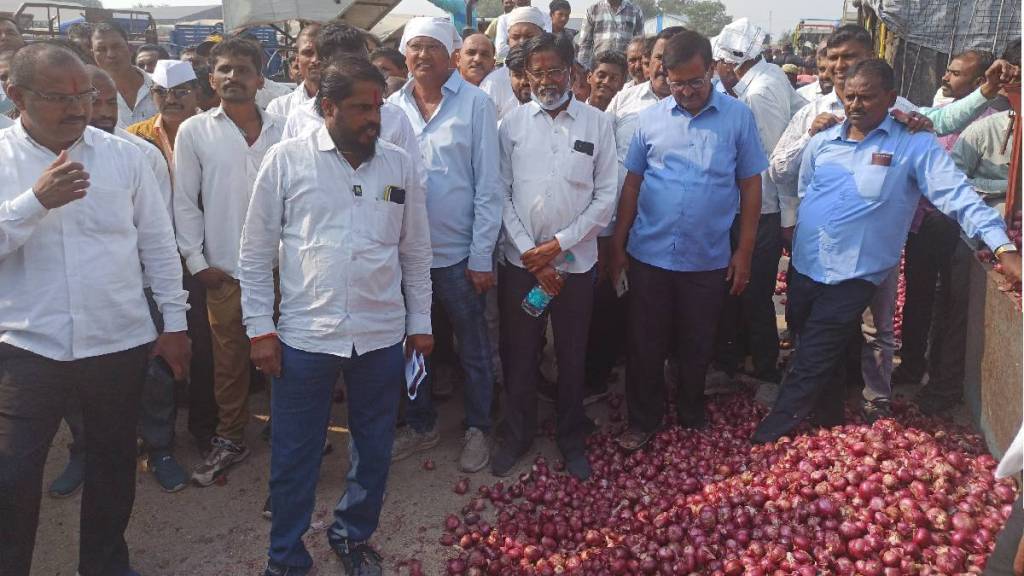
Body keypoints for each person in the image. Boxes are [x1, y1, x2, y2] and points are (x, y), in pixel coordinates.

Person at [752, 59, 1021, 444]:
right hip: (807, 265)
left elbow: (959, 196)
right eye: (850, 96)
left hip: (855, 272)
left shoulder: (912, 144)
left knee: (813, 353)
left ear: (892, 98)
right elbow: (806, 187)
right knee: (808, 337)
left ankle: (772, 433)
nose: (855, 105)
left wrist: (1004, 247)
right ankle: (826, 420)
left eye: (867, 97)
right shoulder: (824, 138)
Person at [0, 41, 189, 576]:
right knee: (12, 473)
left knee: (113, 463)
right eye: (58, 97)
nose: (79, 109)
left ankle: (105, 563)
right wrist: (34, 202)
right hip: (27, 347)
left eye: (85, 94)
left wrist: (174, 323)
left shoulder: (131, 157)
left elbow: (157, 246)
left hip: (117, 341)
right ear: (16, 95)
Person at [239, 55, 433, 576]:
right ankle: (285, 556)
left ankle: (352, 535)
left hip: (381, 334)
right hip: (306, 336)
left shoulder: (399, 164)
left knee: (373, 449)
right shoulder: (286, 160)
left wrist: (421, 325)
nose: (374, 117)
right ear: (327, 107)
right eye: (360, 108)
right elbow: (255, 255)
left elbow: (415, 253)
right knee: (294, 456)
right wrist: (260, 328)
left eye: (378, 106)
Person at [609, 29, 765, 450]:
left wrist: (744, 252)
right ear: (665, 77)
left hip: (707, 258)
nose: (688, 91)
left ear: (712, 70)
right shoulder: (651, 118)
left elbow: (751, 188)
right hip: (649, 255)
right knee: (645, 344)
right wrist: (618, 246)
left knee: (697, 343)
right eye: (678, 84)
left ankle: (692, 414)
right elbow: (632, 185)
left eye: (696, 82)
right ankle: (643, 420)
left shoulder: (738, 118)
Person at [495, 32, 617, 479]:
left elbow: (606, 196)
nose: (546, 79)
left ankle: (570, 436)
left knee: (571, 354)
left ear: (572, 72)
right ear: (525, 76)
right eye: (537, 72)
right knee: (521, 352)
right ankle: (517, 433)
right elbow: (501, 193)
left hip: (575, 265)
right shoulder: (511, 124)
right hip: (523, 265)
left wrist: (559, 246)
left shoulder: (597, 124)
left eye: (555, 70)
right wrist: (532, 253)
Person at [388, 18, 502, 473]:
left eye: (433, 47)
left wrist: (480, 256)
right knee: (415, 345)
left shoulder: (475, 105)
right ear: (404, 54)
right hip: (406, 256)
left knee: (472, 345)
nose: (423, 56)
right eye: (415, 47)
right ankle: (420, 423)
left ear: (450, 55)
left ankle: (478, 427)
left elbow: (488, 186)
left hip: (458, 256)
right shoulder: (392, 107)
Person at [174, 37, 286, 486]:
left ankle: (289, 430)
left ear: (261, 79)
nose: (233, 77)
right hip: (226, 270)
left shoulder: (284, 129)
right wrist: (198, 262)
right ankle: (231, 437)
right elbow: (184, 201)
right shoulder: (195, 131)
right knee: (229, 361)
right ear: (211, 77)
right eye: (224, 69)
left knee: (286, 355)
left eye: (243, 69)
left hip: (283, 267)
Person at [585, 26, 684, 404]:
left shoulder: (702, 104)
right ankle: (597, 378)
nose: (662, 66)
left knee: (661, 309)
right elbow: (602, 156)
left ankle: (663, 381)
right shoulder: (625, 100)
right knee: (609, 301)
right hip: (618, 223)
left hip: (665, 228)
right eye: (658, 57)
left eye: (670, 59)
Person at [128, 59, 219, 456]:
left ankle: (204, 426)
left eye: (181, 91)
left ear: (198, 93)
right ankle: (157, 431)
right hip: (151, 258)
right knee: (154, 347)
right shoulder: (135, 138)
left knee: (204, 346)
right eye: (163, 93)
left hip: (202, 256)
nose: (172, 100)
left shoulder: (212, 133)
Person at [708, 18, 805, 390]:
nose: (718, 73)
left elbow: (770, 160)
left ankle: (762, 367)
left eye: (718, 65)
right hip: (756, 207)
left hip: (759, 208)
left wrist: (786, 215)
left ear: (731, 63)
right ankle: (744, 358)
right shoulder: (771, 76)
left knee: (750, 289)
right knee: (746, 289)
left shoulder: (758, 93)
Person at [896, 48, 998, 390]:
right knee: (919, 296)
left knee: (951, 303)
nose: (945, 77)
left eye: (955, 73)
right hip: (924, 222)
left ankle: (941, 375)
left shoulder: (994, 124)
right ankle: (911, 364)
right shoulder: (935, 115)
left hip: (961, 229)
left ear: (982, 81)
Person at [480, 6, 547, 119]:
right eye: (516, 37)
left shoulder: (555, 76)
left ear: (543, 36)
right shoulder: (493, 83)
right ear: (508, 41)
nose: (522, 42)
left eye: (529, 36)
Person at [92, 22, 158, 128]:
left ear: (130, 48)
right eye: (102, 49)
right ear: (93, 55)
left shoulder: (160, 86)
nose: (111, 55)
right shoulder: (88, 97)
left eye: (116, 47)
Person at [266, 23, 321, 118]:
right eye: (308, 53)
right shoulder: (279, 109)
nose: (315, 59)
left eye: (322, 52)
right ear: (297, 59)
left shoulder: (347, 105)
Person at [576, 0, 644, 69]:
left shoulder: (635, 11)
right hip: (600, 68)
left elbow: (640, 44)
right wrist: (583, 69)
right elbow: (584, 45)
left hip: (626, 69)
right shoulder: (593, 11)